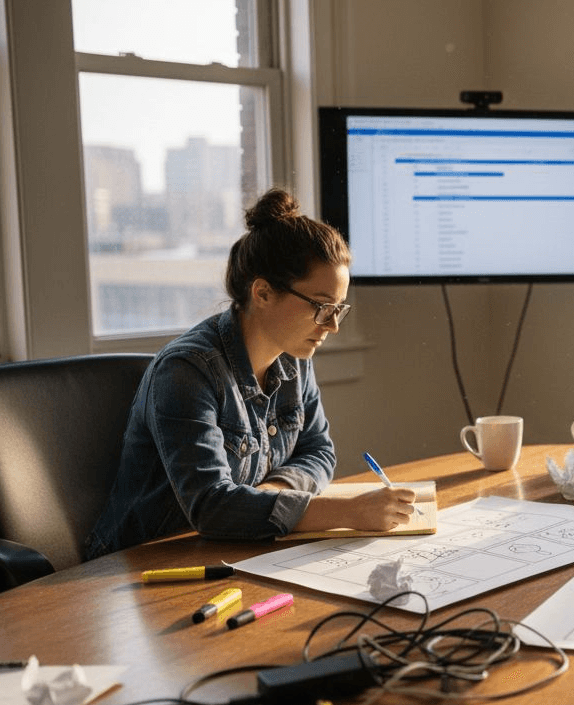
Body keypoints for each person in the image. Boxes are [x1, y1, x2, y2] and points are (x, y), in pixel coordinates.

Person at [86, 189, 417, 558]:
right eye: (323, 307)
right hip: (142, 563)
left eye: (340, 308)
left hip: (238, 550)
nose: (333, 325)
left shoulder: (295, 357)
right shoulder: (185, 372)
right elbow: (212, 507)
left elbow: (318, 451)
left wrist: (273, 492)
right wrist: (350, 512)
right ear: (262, 293)